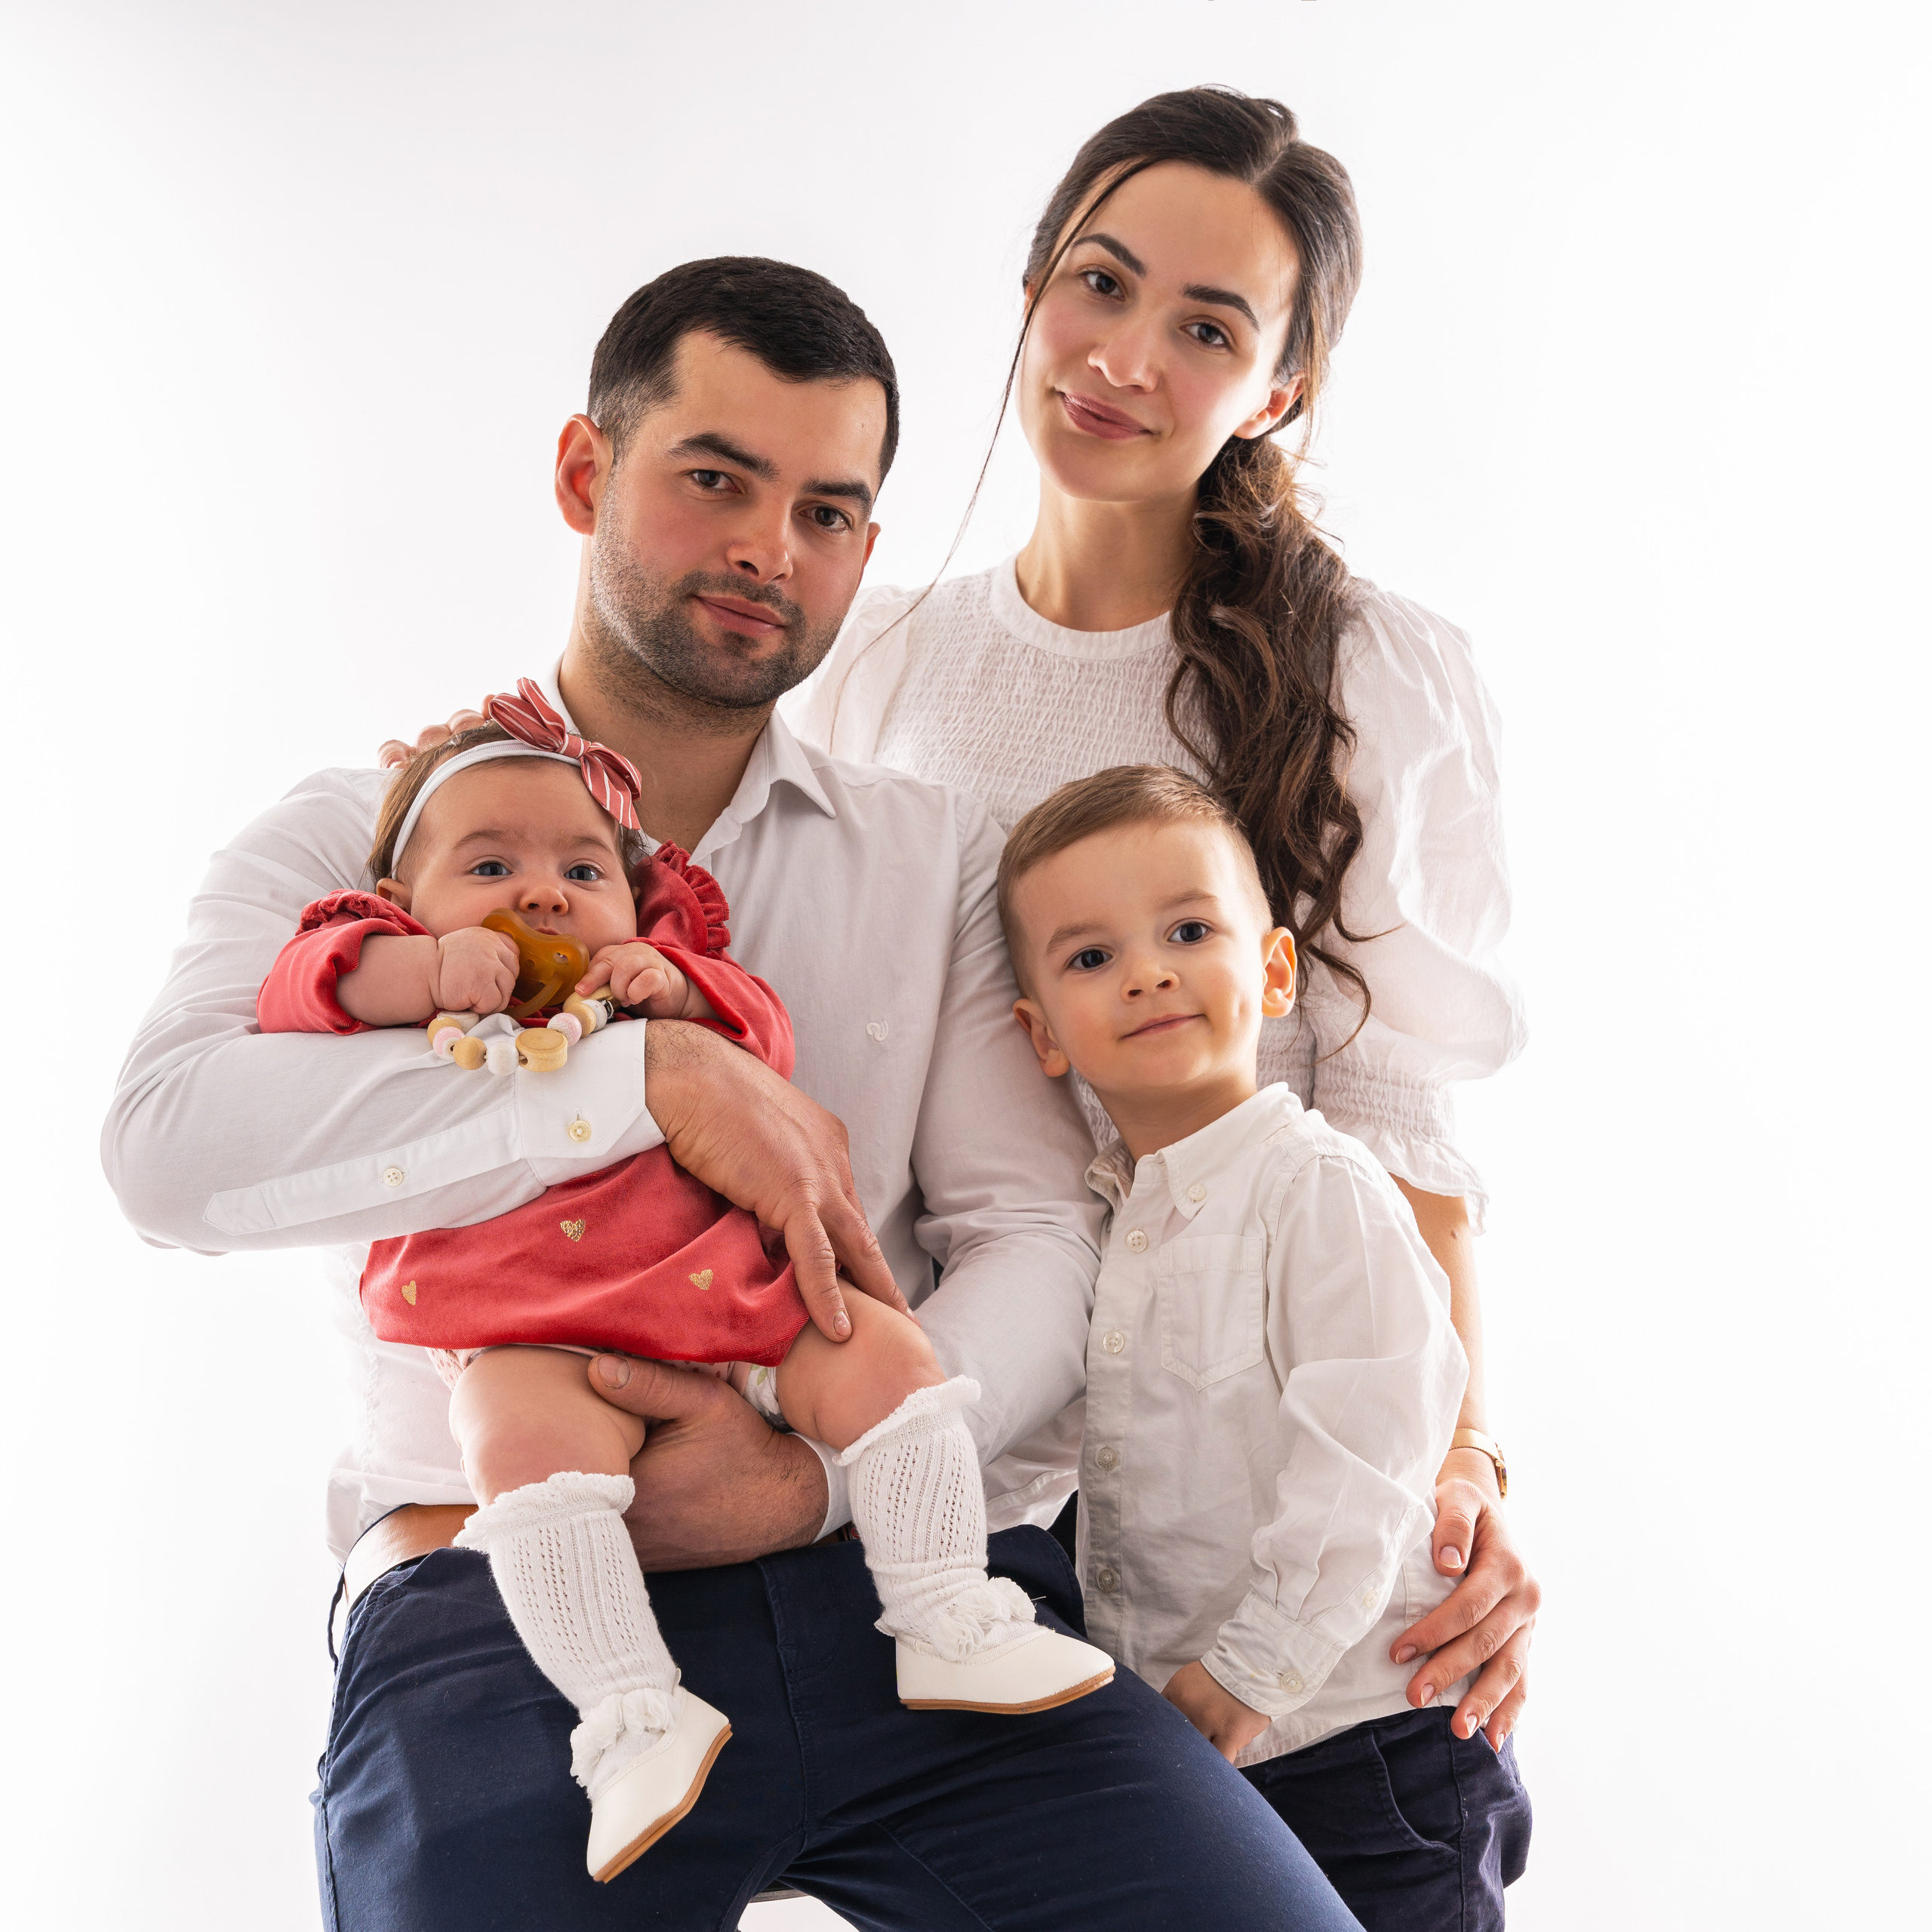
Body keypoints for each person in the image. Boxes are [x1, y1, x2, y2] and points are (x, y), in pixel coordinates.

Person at [104, 257, 1361, 1928]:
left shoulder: (931, 857)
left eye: (831, 509)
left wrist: (816, 1478)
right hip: (499, 1599)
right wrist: (647, 1075)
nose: (773, 545)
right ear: (582, 474)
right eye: (716, 478)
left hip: (910, 1588)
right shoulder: (361, 838)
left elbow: (1032, 1236)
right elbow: (166, 1153)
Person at [788, 84, 1540, 1749]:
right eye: (1097, 281)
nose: (1122, 354)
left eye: (1202, 324)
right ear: (1036, 288)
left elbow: (1401, 1123)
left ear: (1275, 388)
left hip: (1274, 1528)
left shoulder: (1359, 672)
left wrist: (1464, 1459)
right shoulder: (882, 667)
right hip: (962, 1504)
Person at [255, 692, 1111, 1884]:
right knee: (518, 1442)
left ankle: (944, 1609)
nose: (543, 891)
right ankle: (632, 1717)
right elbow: (305, 987)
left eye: (580, 866)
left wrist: (674, 989)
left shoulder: (662, 969)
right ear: (400, 903)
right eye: (491, 864)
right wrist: (424, 968)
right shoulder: (400, 982)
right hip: (532, 1331)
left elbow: (764, 1034)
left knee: (882, 1350)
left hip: (728, 1297)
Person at [997, 764, 1532, 1928]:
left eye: (1188, 930)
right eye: (1092, 958)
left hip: (1360, 1740)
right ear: (1041, 1034)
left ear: (1274, 971)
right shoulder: (1101, 1228)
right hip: (1198, 1747)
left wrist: (1251, 1670)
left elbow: (1371, 1450)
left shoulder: (1318, 1188)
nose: (1146, 970)